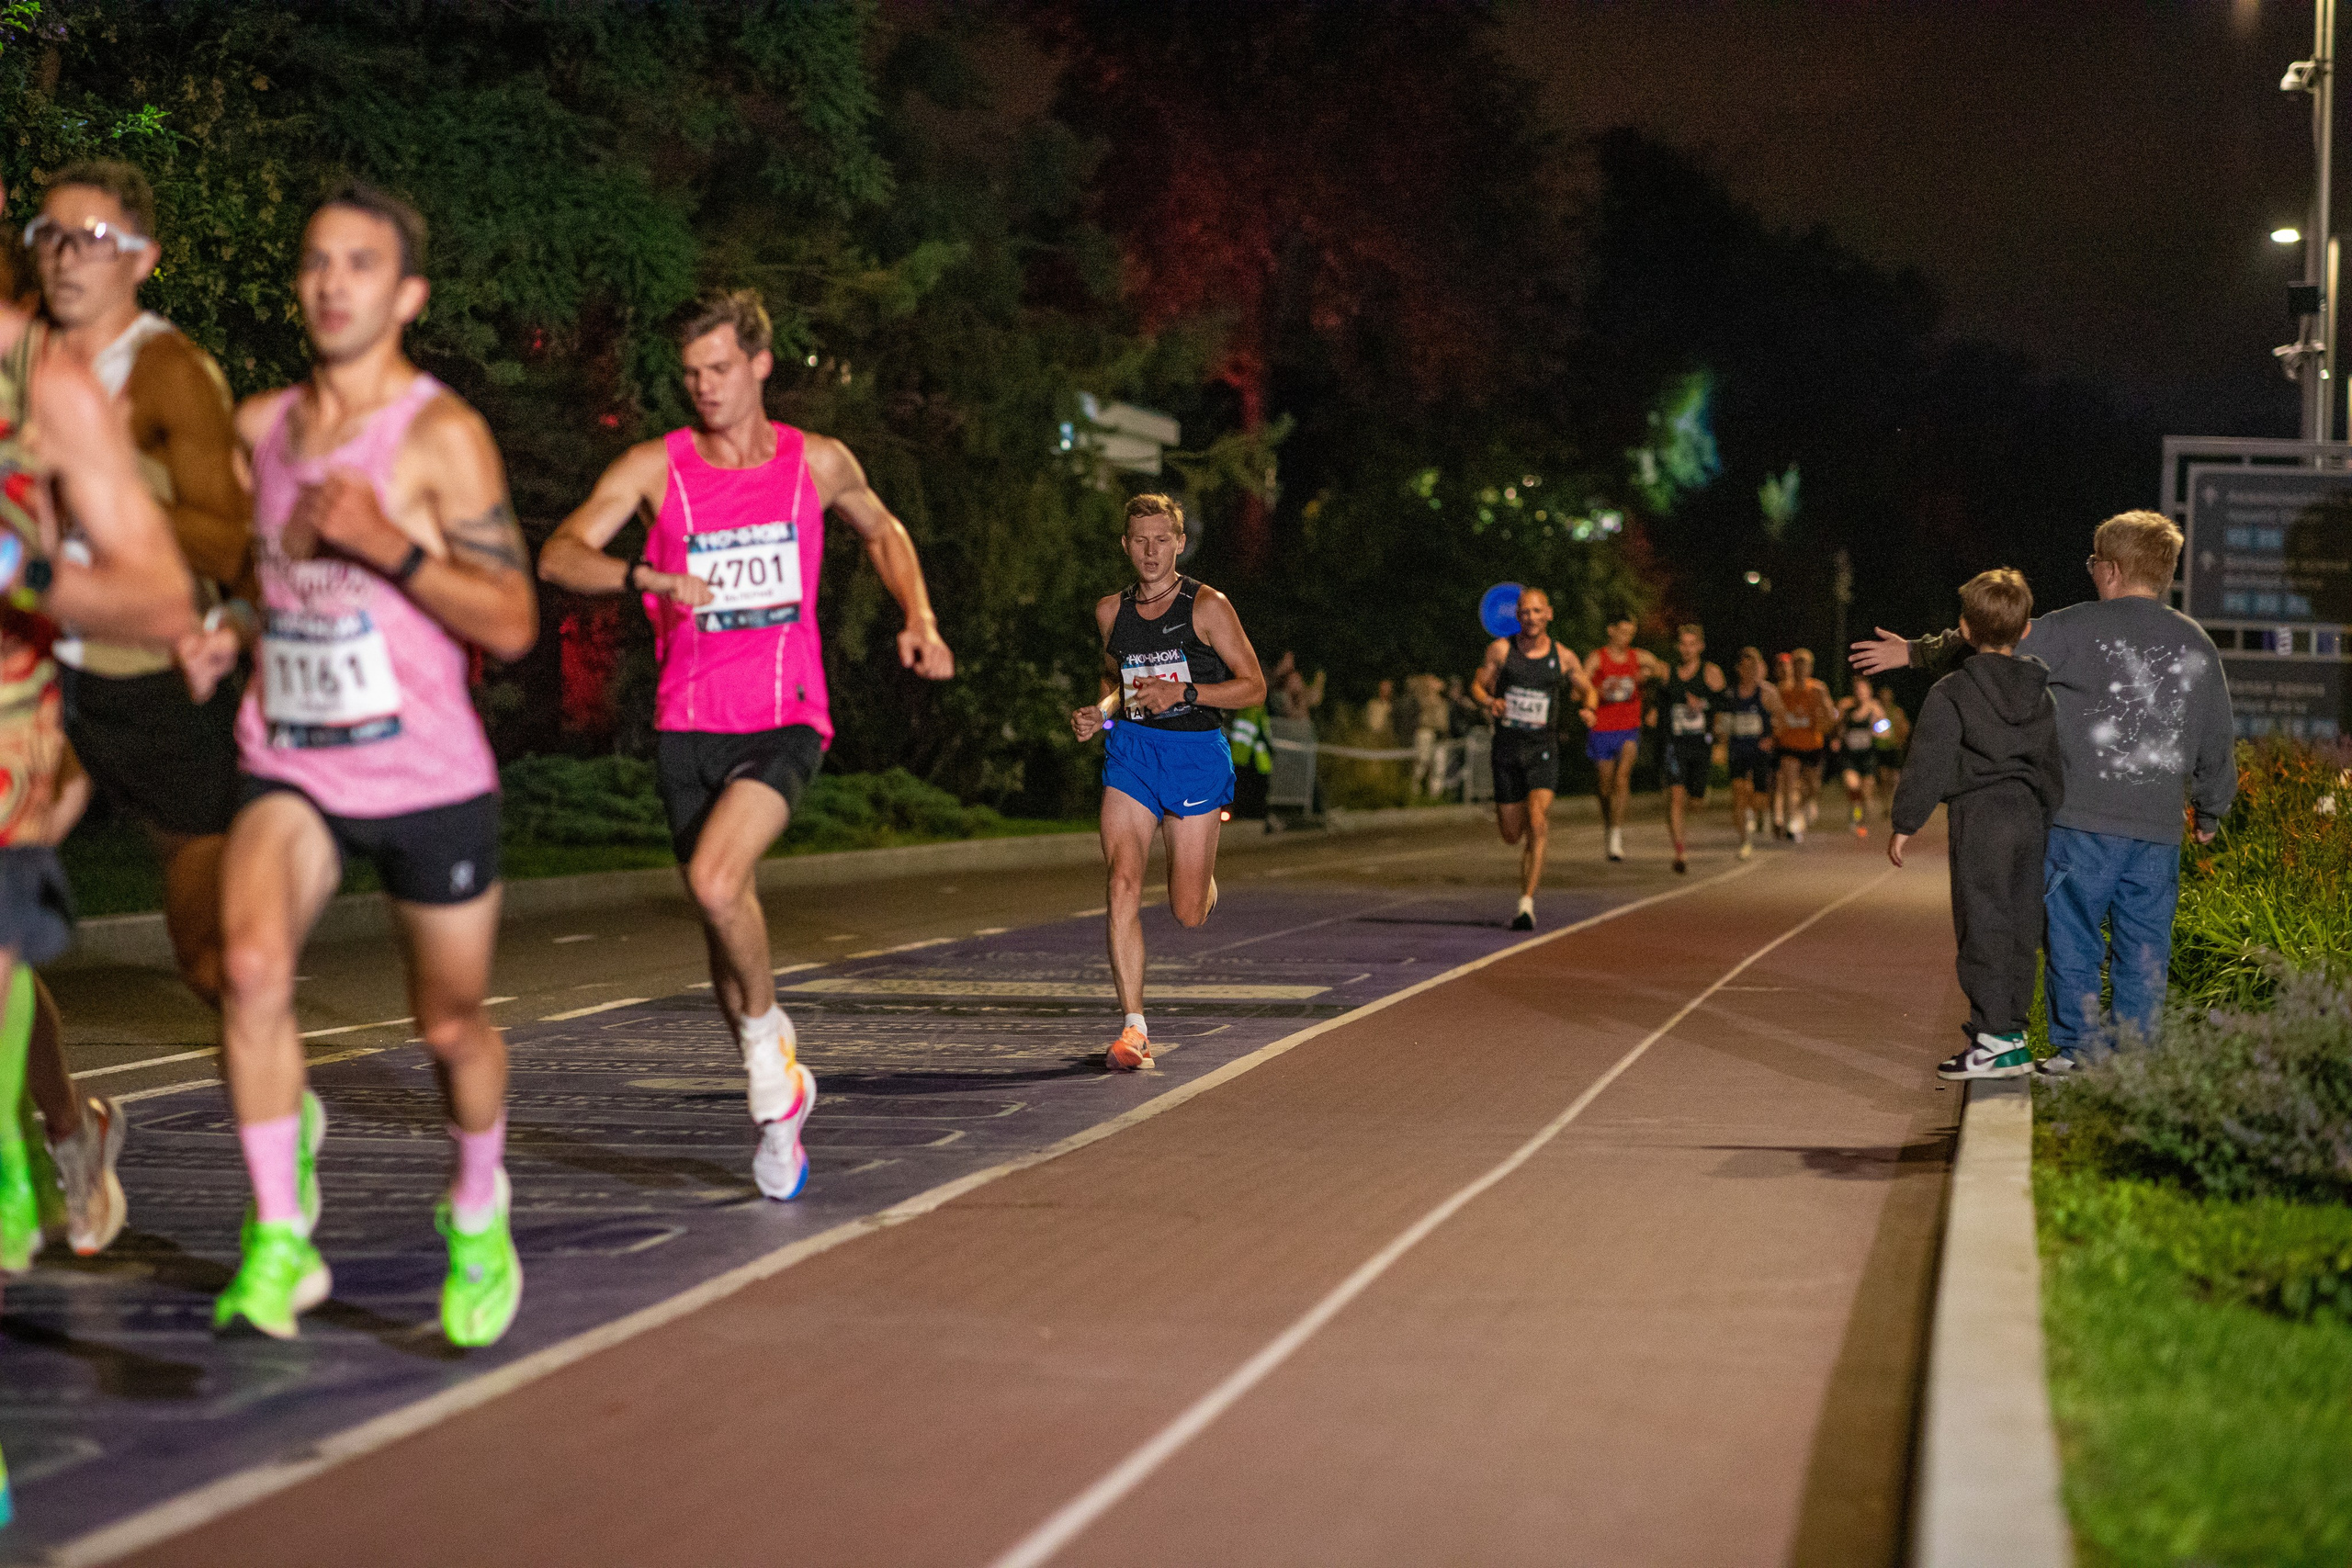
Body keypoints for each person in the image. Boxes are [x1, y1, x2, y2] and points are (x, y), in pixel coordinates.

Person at [175, 185, 536, 1344]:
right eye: (317, 262)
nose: (333, 282)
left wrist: (391, 545)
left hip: (428, 777)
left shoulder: (441, 436)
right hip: (292, 760)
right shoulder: (259, 429)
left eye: (361, 264)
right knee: (248, 965)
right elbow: (256, 582)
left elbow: (514, 621)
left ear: (406, 294)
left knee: (450, 1030)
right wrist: (214, 625)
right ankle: (280, 1233)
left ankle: (478, 1207)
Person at [540, 288, 953, 1194]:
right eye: (691, 374)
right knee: (724, 933)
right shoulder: (659, 468)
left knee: (716, 879)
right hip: (688, 724)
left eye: (720, 368)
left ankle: (773, 1066)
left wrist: (917, 615)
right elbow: (561, 552)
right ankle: (778, 1111)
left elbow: (883, 531)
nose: (706, 388)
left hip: (785, 715)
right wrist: (645, 572)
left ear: (761, 364)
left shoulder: (817, 464)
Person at [1854, 511, 2235, 1073]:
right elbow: (2215, 732)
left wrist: (1915, 651)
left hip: (2080, 822)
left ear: (2108, 570)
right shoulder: (2197, 642)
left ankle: (2079, 1049)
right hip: (2157, 831)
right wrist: (2211, 808)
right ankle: (2134, 1057)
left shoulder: (2072, 628)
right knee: (2146, 945)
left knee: (2074, 937)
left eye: (2092, 564)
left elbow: (1992, 644)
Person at [0, 243, 198, 1274]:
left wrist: (16, 567)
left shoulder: (50, 394)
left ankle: (52, 1144)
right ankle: (69, 1132)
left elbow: (154, 592)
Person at [36, 161, 251, 1011]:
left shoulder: (168, 373)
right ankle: (60, 1130)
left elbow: (229, 538)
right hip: (49, 675)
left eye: (91, 240)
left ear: (141, 258)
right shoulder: (31, 363)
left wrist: (104, 488)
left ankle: (282, 1108)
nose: (65, 257)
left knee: (205, 963)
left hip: (158, 679)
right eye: (50, 236)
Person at [1069, 495, 1264, 1067]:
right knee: (1121, 883)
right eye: (1140, 541)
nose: (1150, 552)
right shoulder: (1111, 611)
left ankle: (1202, 880)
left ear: (1179, 543)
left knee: (1187, 912)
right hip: (1131, 754)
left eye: (1162, 540)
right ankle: (1134, 1030)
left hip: (1196, 755)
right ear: (1125, 545)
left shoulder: (1208, 606)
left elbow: (1253, 686)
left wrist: (1184, 692)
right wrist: (1098, 713)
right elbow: (1116, 679)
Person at [1887, 570, 2064, 1079]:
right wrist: (2052, 816)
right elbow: (2053, 763)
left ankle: (1991, 1040)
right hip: (2030, 817)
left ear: (1964, 629)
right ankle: (2013, 1030)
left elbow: (1930, 759)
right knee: (2023, 922)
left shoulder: (1952, 691)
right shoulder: (2041, 692)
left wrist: (1906, 821)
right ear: (2026, 629)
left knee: (1981, 921)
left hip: (1981, 818)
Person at [1474, 587, 1596, 928]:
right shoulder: (1501, 650)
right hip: (1507, 750)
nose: (1531, 617)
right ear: (1518, 616)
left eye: (1537, 611)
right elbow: (1478, 686)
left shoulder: (1564, 657)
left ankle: (1526, 904)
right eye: (1525, 612)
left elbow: (1589, 688)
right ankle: (1526, 822)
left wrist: (1589, 708)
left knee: (1538, 822)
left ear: (1549, 614)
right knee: (1512, 835)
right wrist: (1490, 701)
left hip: (1543, 750)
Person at [1583, 613, 1664, 862]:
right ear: (1611, 630)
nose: (1627, 637)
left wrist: (1648, 677)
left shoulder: (1638, 657)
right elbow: (1580, 687)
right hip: (1602, 728)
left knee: (1622, 777)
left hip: (1629, 726)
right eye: (1623, 632)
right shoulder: (1597, 658)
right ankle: (1610, 825)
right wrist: (1598, 692)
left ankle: (1617, 835)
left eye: (1631, 633)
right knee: (1604, 786)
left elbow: (1664, 673)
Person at [1648, 622, 1724, 874]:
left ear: (1700, 647)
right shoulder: (1669, 673)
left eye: (1692, 644)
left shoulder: (1710, 673)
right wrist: (1654, 713)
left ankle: (1702, 792)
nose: (1687, 649)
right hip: (1675, 744)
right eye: (1683, 644)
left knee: (1697, 801)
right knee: (1676, 796)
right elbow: (1660, 701)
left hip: (1700, 745)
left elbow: (1723, 703)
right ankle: (1680, 851)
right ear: (1678, 646)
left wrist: (1702, 704)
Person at [1770, 648, 1836, 843]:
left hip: (1812, 744)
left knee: (1812, 787)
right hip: (1789, 744)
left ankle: (1803, 806)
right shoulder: (1783, 690)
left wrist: (1822, 717)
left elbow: (1830, 715)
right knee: (1788, 784)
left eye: (1804, 665)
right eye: (1796, 665)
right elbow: (1774, 714)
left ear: (1810, 668)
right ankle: (1791, 824)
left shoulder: (1817, 689)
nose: (1800, 669)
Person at [1722, 648, 1776, 861]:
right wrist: (1722, 732)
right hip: (1737, 750)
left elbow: (1781, 719)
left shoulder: (1767, 693)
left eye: (1754, 667)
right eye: (1745, 668)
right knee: (1738, 793)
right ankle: (1744, 840)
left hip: (1759, 751)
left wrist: (1771, 738)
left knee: (1759, 798)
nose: (1750, 672)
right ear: (1738, 669)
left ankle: (1756, 812)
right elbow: (1723, 723)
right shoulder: (1731, 694)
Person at [1836, 674, 1890, 835]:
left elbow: (1886, 727)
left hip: (1867, 757)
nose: (1859, 693)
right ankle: (1856, 815)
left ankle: (1862, 820)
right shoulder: (1846, 707)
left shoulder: (1874, 709)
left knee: (1866, 793)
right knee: (1853, 786)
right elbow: (1838, 727)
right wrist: (1837, 739)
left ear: (1868, 692)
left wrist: (1877, 731)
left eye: (1862, 690)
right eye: (1857, 690)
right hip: (1850, 756)